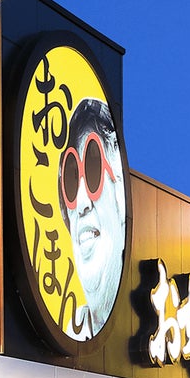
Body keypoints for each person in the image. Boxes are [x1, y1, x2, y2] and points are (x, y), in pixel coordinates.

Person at [61, 97, 128, 338]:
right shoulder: (68, 334)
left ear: (121, 194)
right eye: (70, 180)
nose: (81, 203)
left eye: (93, 169)